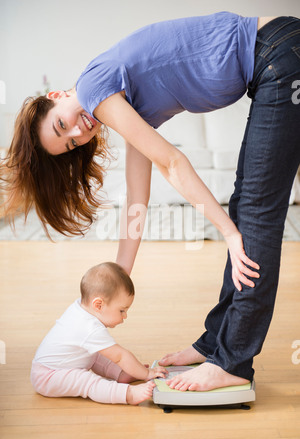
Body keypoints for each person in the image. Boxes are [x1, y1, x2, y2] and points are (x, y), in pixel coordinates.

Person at [2, 13, 300, 391]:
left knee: (252, 218)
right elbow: (136, 204)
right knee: (247, 209)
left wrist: (226, 232)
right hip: (279, 55)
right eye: (72, 143)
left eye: (62, 125)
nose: (78, 132)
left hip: (280, 55)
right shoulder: (116, 101)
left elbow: (172, 163)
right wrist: (108, 290)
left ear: (55, 97)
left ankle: (233, 362)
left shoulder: (94, 86)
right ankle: (216, 344)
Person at [30, 262, 167, 405]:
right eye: (122, 310)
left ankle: (120, 374)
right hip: (48, 377)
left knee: (96, 354)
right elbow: (120, 356)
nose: (125, 316)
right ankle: (128, 394)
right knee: (86, 380)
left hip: (50, 368)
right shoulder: (89, 327)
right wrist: (147, 373)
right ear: (98, 305)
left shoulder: (81, 308)